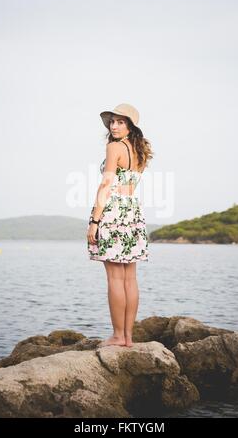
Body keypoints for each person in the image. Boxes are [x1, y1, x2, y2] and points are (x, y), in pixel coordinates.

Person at [87, 103, 153, 347]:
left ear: (130, 126)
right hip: (132, 212)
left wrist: (95, 220)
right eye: (112, 121)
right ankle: (128, 337)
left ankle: (117, 335)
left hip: (113, 210)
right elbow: (131, 186)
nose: (114, 126)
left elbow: (106, 184)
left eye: (120, 122)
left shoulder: (114, 147)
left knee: (115, 278)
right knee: (129, 279)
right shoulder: (139, 151)